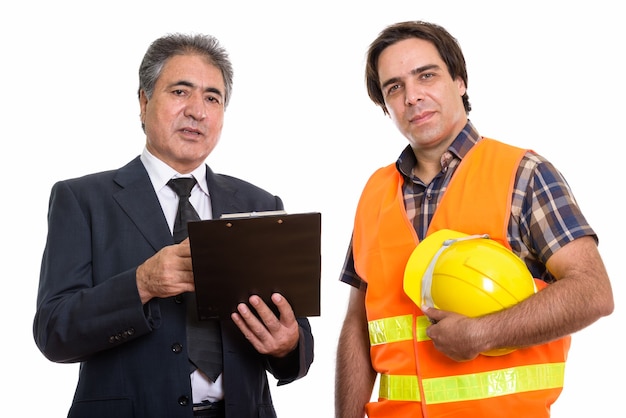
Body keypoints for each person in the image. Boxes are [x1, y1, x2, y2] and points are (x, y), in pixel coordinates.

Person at [334, 20, 613, 418]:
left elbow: (593, 292)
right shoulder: (374, 192)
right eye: (394, 87)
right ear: (385, 104)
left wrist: (483, 333)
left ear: (460, 82)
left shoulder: (523, 173)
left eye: (426, 75)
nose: (412, 96)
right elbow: (357, 326)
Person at [33, 33, 314, 418]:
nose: (197, 111)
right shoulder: (82, 200)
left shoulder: (259, 205)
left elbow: (297, 341)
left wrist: (287, 343)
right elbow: (54, 332)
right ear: (144, 102)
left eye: (212, 98)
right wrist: (141, 284)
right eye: (181, 92)